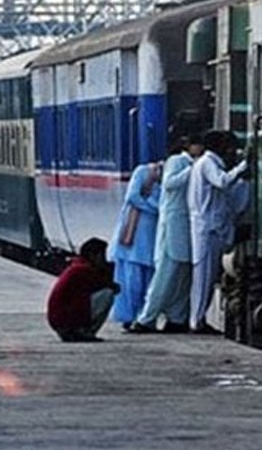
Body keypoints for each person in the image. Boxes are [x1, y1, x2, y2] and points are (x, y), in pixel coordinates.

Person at [131, 134, 205, 334]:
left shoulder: (195, 163)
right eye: (197, 144)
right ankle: (146, 318)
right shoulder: (177, 161)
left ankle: (177, 318)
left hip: (186, 227)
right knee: (165, 275)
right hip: (172, 227)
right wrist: (193, 170)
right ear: (187, 145)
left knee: (182, 277)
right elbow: (169, 183)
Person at [188, 130, 249, 335]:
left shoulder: (207, 163)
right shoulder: (207, 164)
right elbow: (222, 182)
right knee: (204, 277)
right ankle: (197, 321)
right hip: (208, 230)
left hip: (210, 228)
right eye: (228, 146)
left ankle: (198, 319)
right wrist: (243, 167)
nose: (230, 150)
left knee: (206, 276)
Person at [107, 160, 161, 330]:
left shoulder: (167, 176)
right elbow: (132, 196)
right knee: (132, 277)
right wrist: (156, 208)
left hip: (151, 234)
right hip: (134, 233)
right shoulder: (144, 172)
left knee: (147, 276)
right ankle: (130, 316)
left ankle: (142, 316)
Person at [46, 238, 120, 343]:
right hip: (66, 319)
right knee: (107, 294)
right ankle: (85, 332)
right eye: (102, 256)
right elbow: (110, 286)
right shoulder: (84, 269)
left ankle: (77, 331)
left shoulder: (76, 266)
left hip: (60, 321)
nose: (104, 260)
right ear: (92, 256)